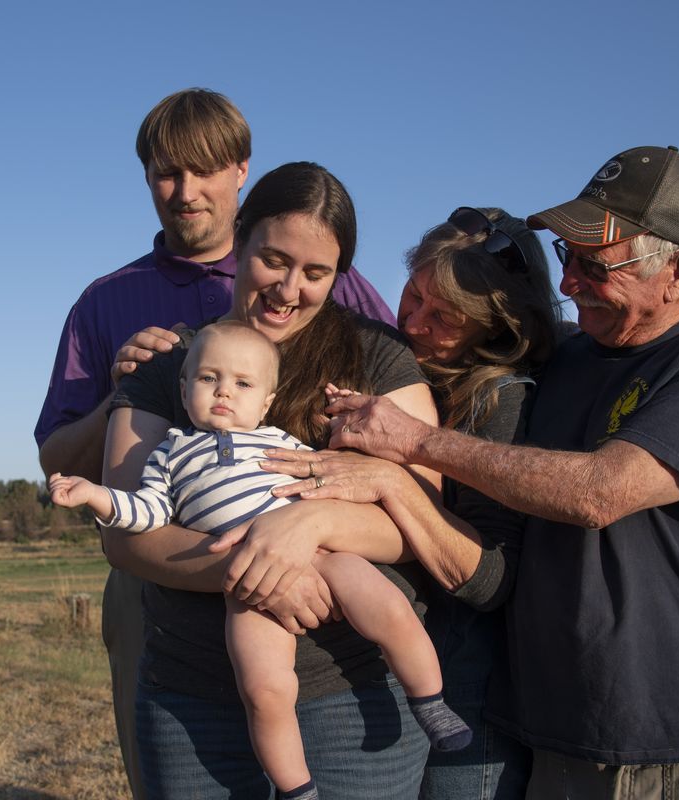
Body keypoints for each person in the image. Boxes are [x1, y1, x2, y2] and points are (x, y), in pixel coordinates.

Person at [297, 146, 679, 799]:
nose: (570, 286)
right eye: (567, 260)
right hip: (558, 744)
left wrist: (415, 445)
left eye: (595, 265)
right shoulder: (562, 361)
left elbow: (602, 491)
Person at [31, 88, 394, 796]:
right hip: (161, 577)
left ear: (241, 173)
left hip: (316, 563)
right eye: (167, 172)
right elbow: (54, 456)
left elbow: (397, 389)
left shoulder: (315, 275)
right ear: (146, 178)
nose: (186, 191)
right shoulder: (107, 300)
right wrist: (119, 393)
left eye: (206, 170)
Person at [102, 161, 450, 799]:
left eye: (316, 273)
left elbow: (426, 517)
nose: (290, 288)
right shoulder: (170, 365)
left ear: (338, 275)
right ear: (240, 242)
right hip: (191, 699)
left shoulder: (377, 357)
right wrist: (261, 569)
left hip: (348, 692)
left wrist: (307, 525)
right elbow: (124, 537)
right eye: (273, 260)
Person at [50, 321, 471, 798]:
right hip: (248, 593)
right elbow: (143, 513)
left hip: (322, 556)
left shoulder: (281, 441)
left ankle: (430, 701)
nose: (224, 392)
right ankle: (298, 787)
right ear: (184, 389)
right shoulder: (170, 454)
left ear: (266, 402)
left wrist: (347, 416)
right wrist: (94, 495)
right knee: (265, 692)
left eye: (242, 384)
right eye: (209, 379)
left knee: (391, 611)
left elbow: (332, 464)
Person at [263, 206, 562, 800]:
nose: (415, 321)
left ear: (495, 329)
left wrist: (392, 482)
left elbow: (489, 579)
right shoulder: (391, 365)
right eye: (414, 293)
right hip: (372, 679)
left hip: (464, 695)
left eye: (444, 316)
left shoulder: (498, 402)